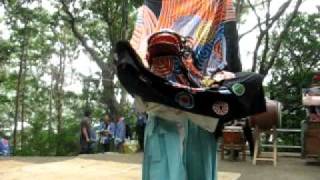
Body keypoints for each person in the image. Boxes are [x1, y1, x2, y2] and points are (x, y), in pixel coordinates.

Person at [129, 1, 242, 180]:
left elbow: (134, 67)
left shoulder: (151, 6)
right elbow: (231, 60)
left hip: (164, 110)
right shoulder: (218, 3)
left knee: (163, 170)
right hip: (201, 108)